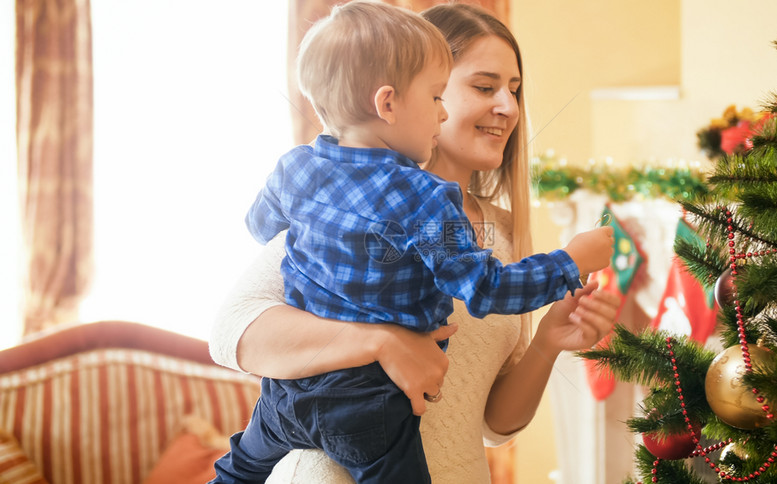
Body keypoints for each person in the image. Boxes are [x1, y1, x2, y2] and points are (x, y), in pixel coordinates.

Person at [210, 3, 622, 483]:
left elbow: (493, 425)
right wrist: (383, 341)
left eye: (514, 90)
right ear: (394, 96)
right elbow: (228, 333)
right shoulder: (365, 205)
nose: (509, 107)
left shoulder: (501, 231)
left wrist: (550, 339)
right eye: (484, 87)